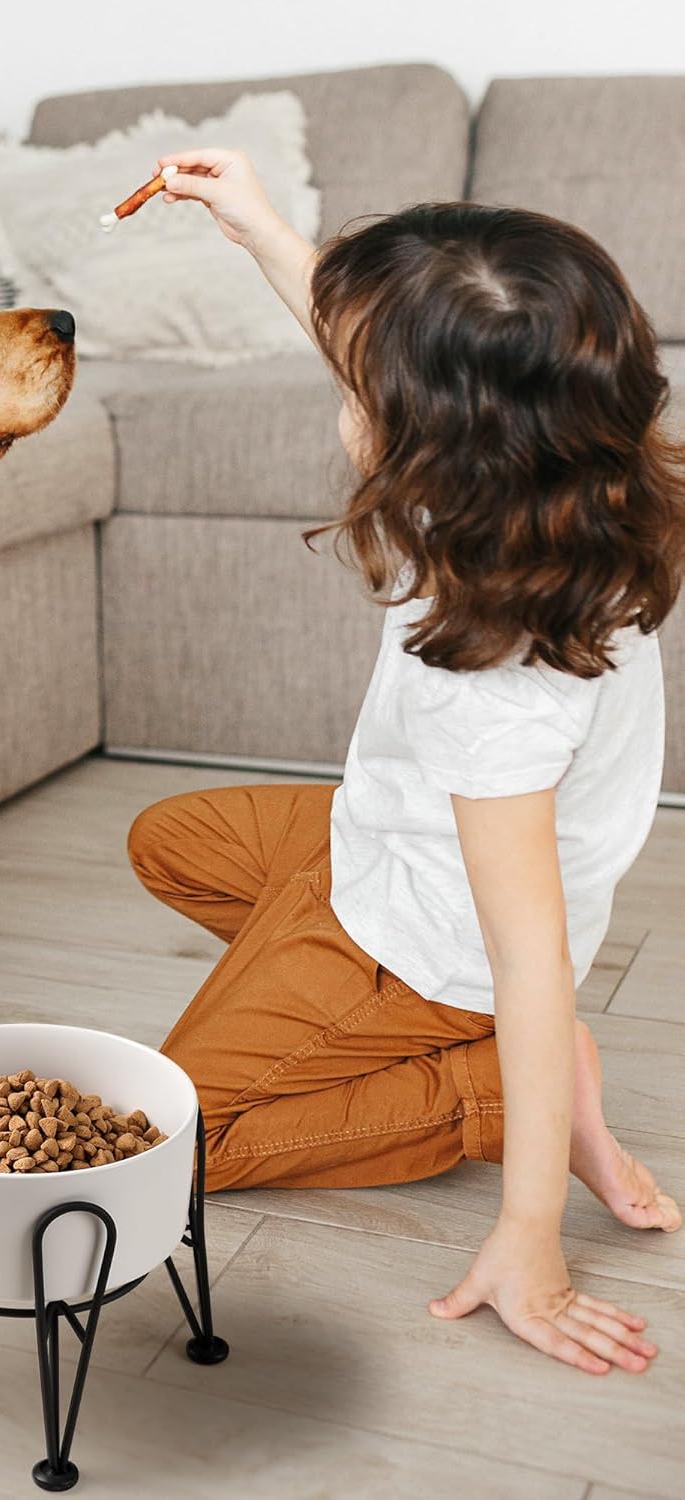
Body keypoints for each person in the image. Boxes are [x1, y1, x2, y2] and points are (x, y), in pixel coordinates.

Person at [128, 150, 684, 1375]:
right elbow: (372, 332)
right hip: (381, 839)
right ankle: (330, 981)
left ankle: (477, 1090)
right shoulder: (553, 481)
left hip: (434, 941)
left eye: (358, 377)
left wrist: (530, 1234)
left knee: (165, 1144)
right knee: (162, 840)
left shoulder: (494, 687)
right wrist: (259, 225)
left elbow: (528, 955)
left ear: (424, 435)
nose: (340, 383)